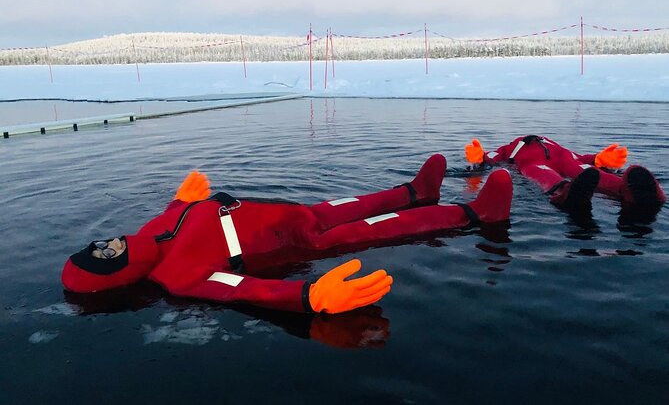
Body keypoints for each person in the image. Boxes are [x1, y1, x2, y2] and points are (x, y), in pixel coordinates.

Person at [62, 154, 513, 314]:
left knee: (358, 203)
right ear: (118, 275)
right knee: (377, 227)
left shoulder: (146, 233)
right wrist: (308, 297)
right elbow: (245, 290)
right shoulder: (182, 277)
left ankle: (417, 190)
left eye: (98, 245)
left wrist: (182, 200)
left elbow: (173, 216)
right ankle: (475, 214)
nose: (108, 243)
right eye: (105, 255)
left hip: (294, 213)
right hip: (296, 243)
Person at [464, 135, 665, 215]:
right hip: (536, 162)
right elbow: (494, 156)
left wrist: (598, 159)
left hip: (564, 157)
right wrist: (480, 156)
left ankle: (625, 187)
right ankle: (565, 191)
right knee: (547, 172)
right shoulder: (512, 148)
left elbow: (580, 157)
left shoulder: (549, 143)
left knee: (585, 170)